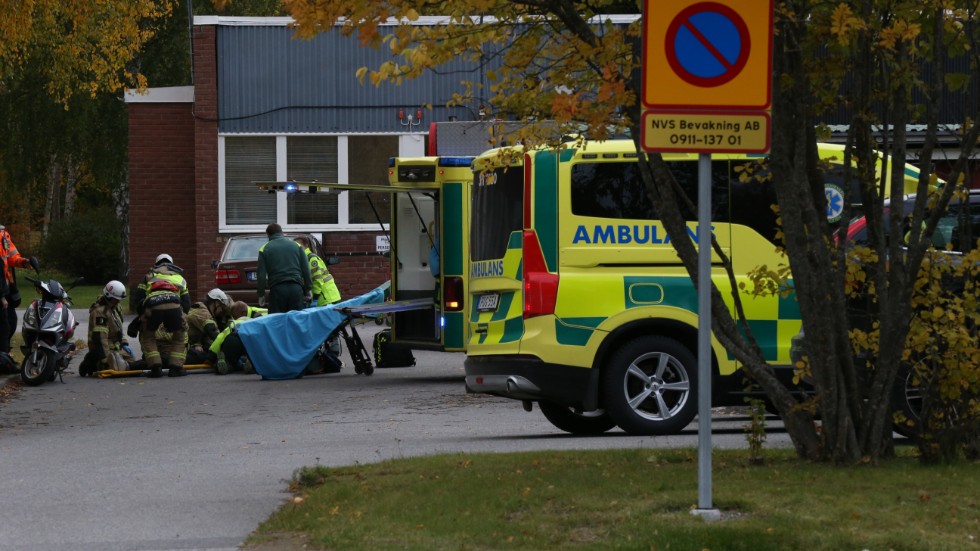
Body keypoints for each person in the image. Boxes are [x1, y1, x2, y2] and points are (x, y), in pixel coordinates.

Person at [132, 253, 191, 378]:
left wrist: (143, 315)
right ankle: (175, 368)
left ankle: (155, 368)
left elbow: (138, 298)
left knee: (148, 336)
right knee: (180, 336)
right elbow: (186, 303)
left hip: (153, 306)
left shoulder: (149, 275)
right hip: (174, 307)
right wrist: (181, 318)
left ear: (156, 264)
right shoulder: (179, 278)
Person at [79, 281, 138, 376]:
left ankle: (102, 361)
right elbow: (100, 338)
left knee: (132, 362)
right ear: (108, 296)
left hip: (116, 346)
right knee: (117, 368)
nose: (118, 301)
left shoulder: (115, 308)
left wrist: (124, 343)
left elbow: (118, 329)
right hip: (102, 348)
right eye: (116, 299)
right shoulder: (100, 312)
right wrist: (105, 359)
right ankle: (91, 363)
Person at [256, 223, 312, 313]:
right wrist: (308, 289)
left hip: (277, 290)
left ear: (268, 235)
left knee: (277, 321)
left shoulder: (264, 248)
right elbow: (306, 269)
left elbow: (261, 275)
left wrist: (261, 294)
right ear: (282, 232)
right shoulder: (297, 246)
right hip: (296, 289)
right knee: (296, 321)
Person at [0, 224, 39, 353]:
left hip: (5, 287)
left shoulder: (3, 235)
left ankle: (4, 356)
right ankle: (3, 357)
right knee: (4, 327)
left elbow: (11, 256)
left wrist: (23, 262)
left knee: (10, 323)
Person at [207, 301, 265, 375]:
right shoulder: (253, 321)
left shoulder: (234, 323)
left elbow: (220, 337)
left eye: (234, 316)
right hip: (250, 341)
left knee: (231, 361)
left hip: (232, 340)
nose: (234, 318)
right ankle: (252, 362)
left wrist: (211, 355)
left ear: (242, 313)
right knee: (256, 354)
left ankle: (226, 364)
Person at [185, 288, 233, 365]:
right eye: (222, 308)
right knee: (203, 356)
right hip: (188, 347)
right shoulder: (200, 310)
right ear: (216, 303)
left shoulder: (209, 313)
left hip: (195, 344)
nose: (222, 312)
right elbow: (212, 331)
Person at [294, 235, 341, 307]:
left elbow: (317, 279)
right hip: (323, 298)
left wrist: (315, 298)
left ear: (306, 245)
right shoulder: (302, 260)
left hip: (327, 298)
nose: (297, 248)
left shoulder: (311, 259)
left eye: (299, 245)